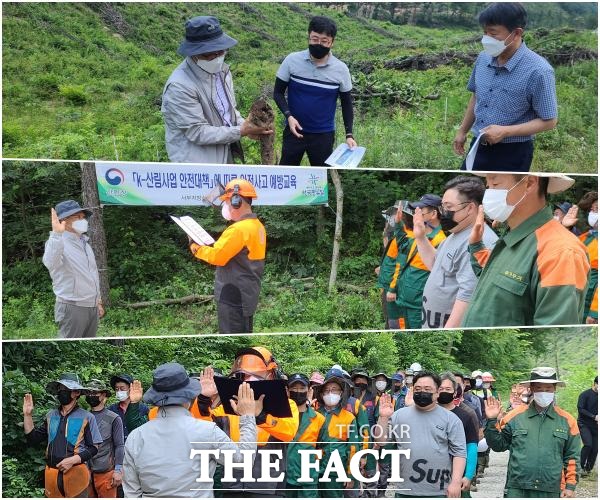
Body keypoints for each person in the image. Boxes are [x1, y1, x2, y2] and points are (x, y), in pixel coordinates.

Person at [462, 173, 590, 326]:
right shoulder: (515, 236)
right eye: (488, 186)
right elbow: (494, 281)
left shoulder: (561, 252)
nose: (488, 193)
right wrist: (476, 245)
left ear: (529, 183)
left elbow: (552, 336)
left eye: (495, 184)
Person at [122, 362, 258, 498]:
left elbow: (131, 491)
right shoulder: (207, 431)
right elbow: (243, 462)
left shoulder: (136, 436)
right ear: (189, 395)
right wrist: (247, 417)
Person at [454, 3, 557, 171]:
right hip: (478, 143)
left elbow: (549, 121)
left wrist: (505, 131)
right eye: (485, 32)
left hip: (513, 153)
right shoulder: (483, 58)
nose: (486, 39)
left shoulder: (539, 71)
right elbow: (476, 96)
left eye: (493, 34)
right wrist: (462, 131)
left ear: (516, 33)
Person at [161, 16, 272, 163]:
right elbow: (198, 132)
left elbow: (229, 111)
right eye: (210, 53)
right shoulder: (180, 86)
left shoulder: (222, 72)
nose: (218, 56)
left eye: (221, 51)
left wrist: (245, 125)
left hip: (223, 152)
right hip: (197, 163)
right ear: (193, 53)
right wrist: (241, 131)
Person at [195, 347, 299, 497]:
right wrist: (204, 400)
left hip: (269, 485)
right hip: (232, 484)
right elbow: (202, 427)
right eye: (245, 376)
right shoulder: (229, 406)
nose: (249, 380)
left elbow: (288, 433)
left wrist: (260, 415)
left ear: (271, 375)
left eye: (256, 376)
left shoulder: (287, 405)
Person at [483, 367, 581, 497]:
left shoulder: (568, 421)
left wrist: (570, 486)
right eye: (539, 388)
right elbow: (498, 445)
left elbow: (572, 456)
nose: (544, 392)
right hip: (517, 488)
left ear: (554, 389)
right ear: (532, 389)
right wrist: (491, 420)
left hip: (551, 488)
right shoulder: (515, 416)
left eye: (548, 389)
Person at [416, 177, 498, 328]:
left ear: (470, 208)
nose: (443, 212)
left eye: (448, 206)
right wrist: (420, 237)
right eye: (442, 207)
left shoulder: (480, 242)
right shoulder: (456, 233)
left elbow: (468, 296)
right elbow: (435, 264)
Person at [274, 16, 356, 166]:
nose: (319, 44)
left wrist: (349, 135)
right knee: (287, 174)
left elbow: (346, 104)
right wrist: (289, 116)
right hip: (294, 131)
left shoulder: (341, 69)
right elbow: (278, 93)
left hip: (323, 135)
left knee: (321, 178)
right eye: (315, 39)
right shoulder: (292, 60)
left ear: (332, 42)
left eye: (324, 41)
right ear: (308, 37)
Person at [190, 179, 266, 334]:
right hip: (247, 292)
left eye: (226, 202)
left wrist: (195, 248)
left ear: (236, 201)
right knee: (244, 333)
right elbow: (229, 251)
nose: (225, 206)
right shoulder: (257, 226)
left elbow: (217, 257)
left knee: (231, 334)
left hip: (233, 294)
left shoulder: (238, 229)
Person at [376, 370, 467, 498]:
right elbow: (381, 441)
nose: (422, 392)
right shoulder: (399, 415)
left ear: (437, 393)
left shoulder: (451, 419)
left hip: (439, 491)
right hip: (405, 490)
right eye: (418, 388)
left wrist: (456, 482)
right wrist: (383, 418)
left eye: (427, 388)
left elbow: (459, 452)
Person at [23, 374, 102, 498]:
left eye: (65, 389)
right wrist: (27, 415)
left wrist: (72, 460)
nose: (61, 392)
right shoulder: (51, 415)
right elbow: (33, 438)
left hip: (76, 475)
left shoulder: (87, 417)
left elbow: (94, 448)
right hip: (52, 475)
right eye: (59, 389)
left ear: (76, 393)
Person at [42, 200, 104, 338]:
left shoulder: (84, 243)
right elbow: (50, 262)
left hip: (91, 307)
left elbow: (92, 274)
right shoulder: (58, 242)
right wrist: (56, 235)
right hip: (72, 307)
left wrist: (97, 301)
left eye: (83, 217)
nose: (83, 220)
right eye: (78, 217)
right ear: (63, 220)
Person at [388, 195, 446, 330]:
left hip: (417, 304)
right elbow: (403, 245)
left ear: (433, 214)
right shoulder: (420, 236)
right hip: (404, 300)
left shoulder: (440, 241)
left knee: (414, 339)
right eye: (415, 212)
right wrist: (398, 224)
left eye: (420, 212)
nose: (416, 215)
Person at [314, 368, 363, 498]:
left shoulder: (348, 417)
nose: (330, 393)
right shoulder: (314, 415)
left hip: (335, 472)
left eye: (334, 389)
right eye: (327, 390)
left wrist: (351, 474)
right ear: (322, 393)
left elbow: (353, 448)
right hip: (314, 471)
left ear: (341, 393)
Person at [286, 373, 326, 498]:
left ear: (309, 391)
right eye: (294, 388)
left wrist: (314, 470)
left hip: (308, 480)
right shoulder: (280, 417)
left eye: (302, 388)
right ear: (287, 391)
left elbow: (324, 449)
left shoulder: (319, 419)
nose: (298, 392)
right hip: (283, 480)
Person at [438, 373, 479, 497]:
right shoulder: (428, 414)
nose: (444, 392)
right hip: (432, 475)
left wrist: (468, 475)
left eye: (448, 389)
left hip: (457, 474)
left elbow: (471, 446)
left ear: (455, 392)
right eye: (441, 389)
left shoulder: (465, 416)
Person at [562, 192, 598, 324]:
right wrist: (565, 227)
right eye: (592, 210)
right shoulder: (588, 237)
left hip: (592, 302)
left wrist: (595, 312)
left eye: (597, 209)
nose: (593, 213)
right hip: (578, 294)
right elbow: (564, 249)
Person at [85, 380, 124, 498]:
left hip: (105, 472)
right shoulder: (83, 416)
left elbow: (119, 445)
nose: (91, 396)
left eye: (95, 393)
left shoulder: (113, 418)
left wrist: (118, 470)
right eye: (89, 393)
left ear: (103, 395)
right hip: (85, 472)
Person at [108, 374, 149, 443]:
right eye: (117, 389)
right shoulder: (111, 410)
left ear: (131, 388)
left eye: (122, 388)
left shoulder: (143, 408)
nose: (119, 391)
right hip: (118, 450)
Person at [577, 376, 598, 476]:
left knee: (595, 449)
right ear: (595, 383)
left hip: (596, 426)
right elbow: (580, 409)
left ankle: (588, 469)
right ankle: (580, 467)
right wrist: (594, 416)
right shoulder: (585, 395)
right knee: (588, 444)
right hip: (584, 424)